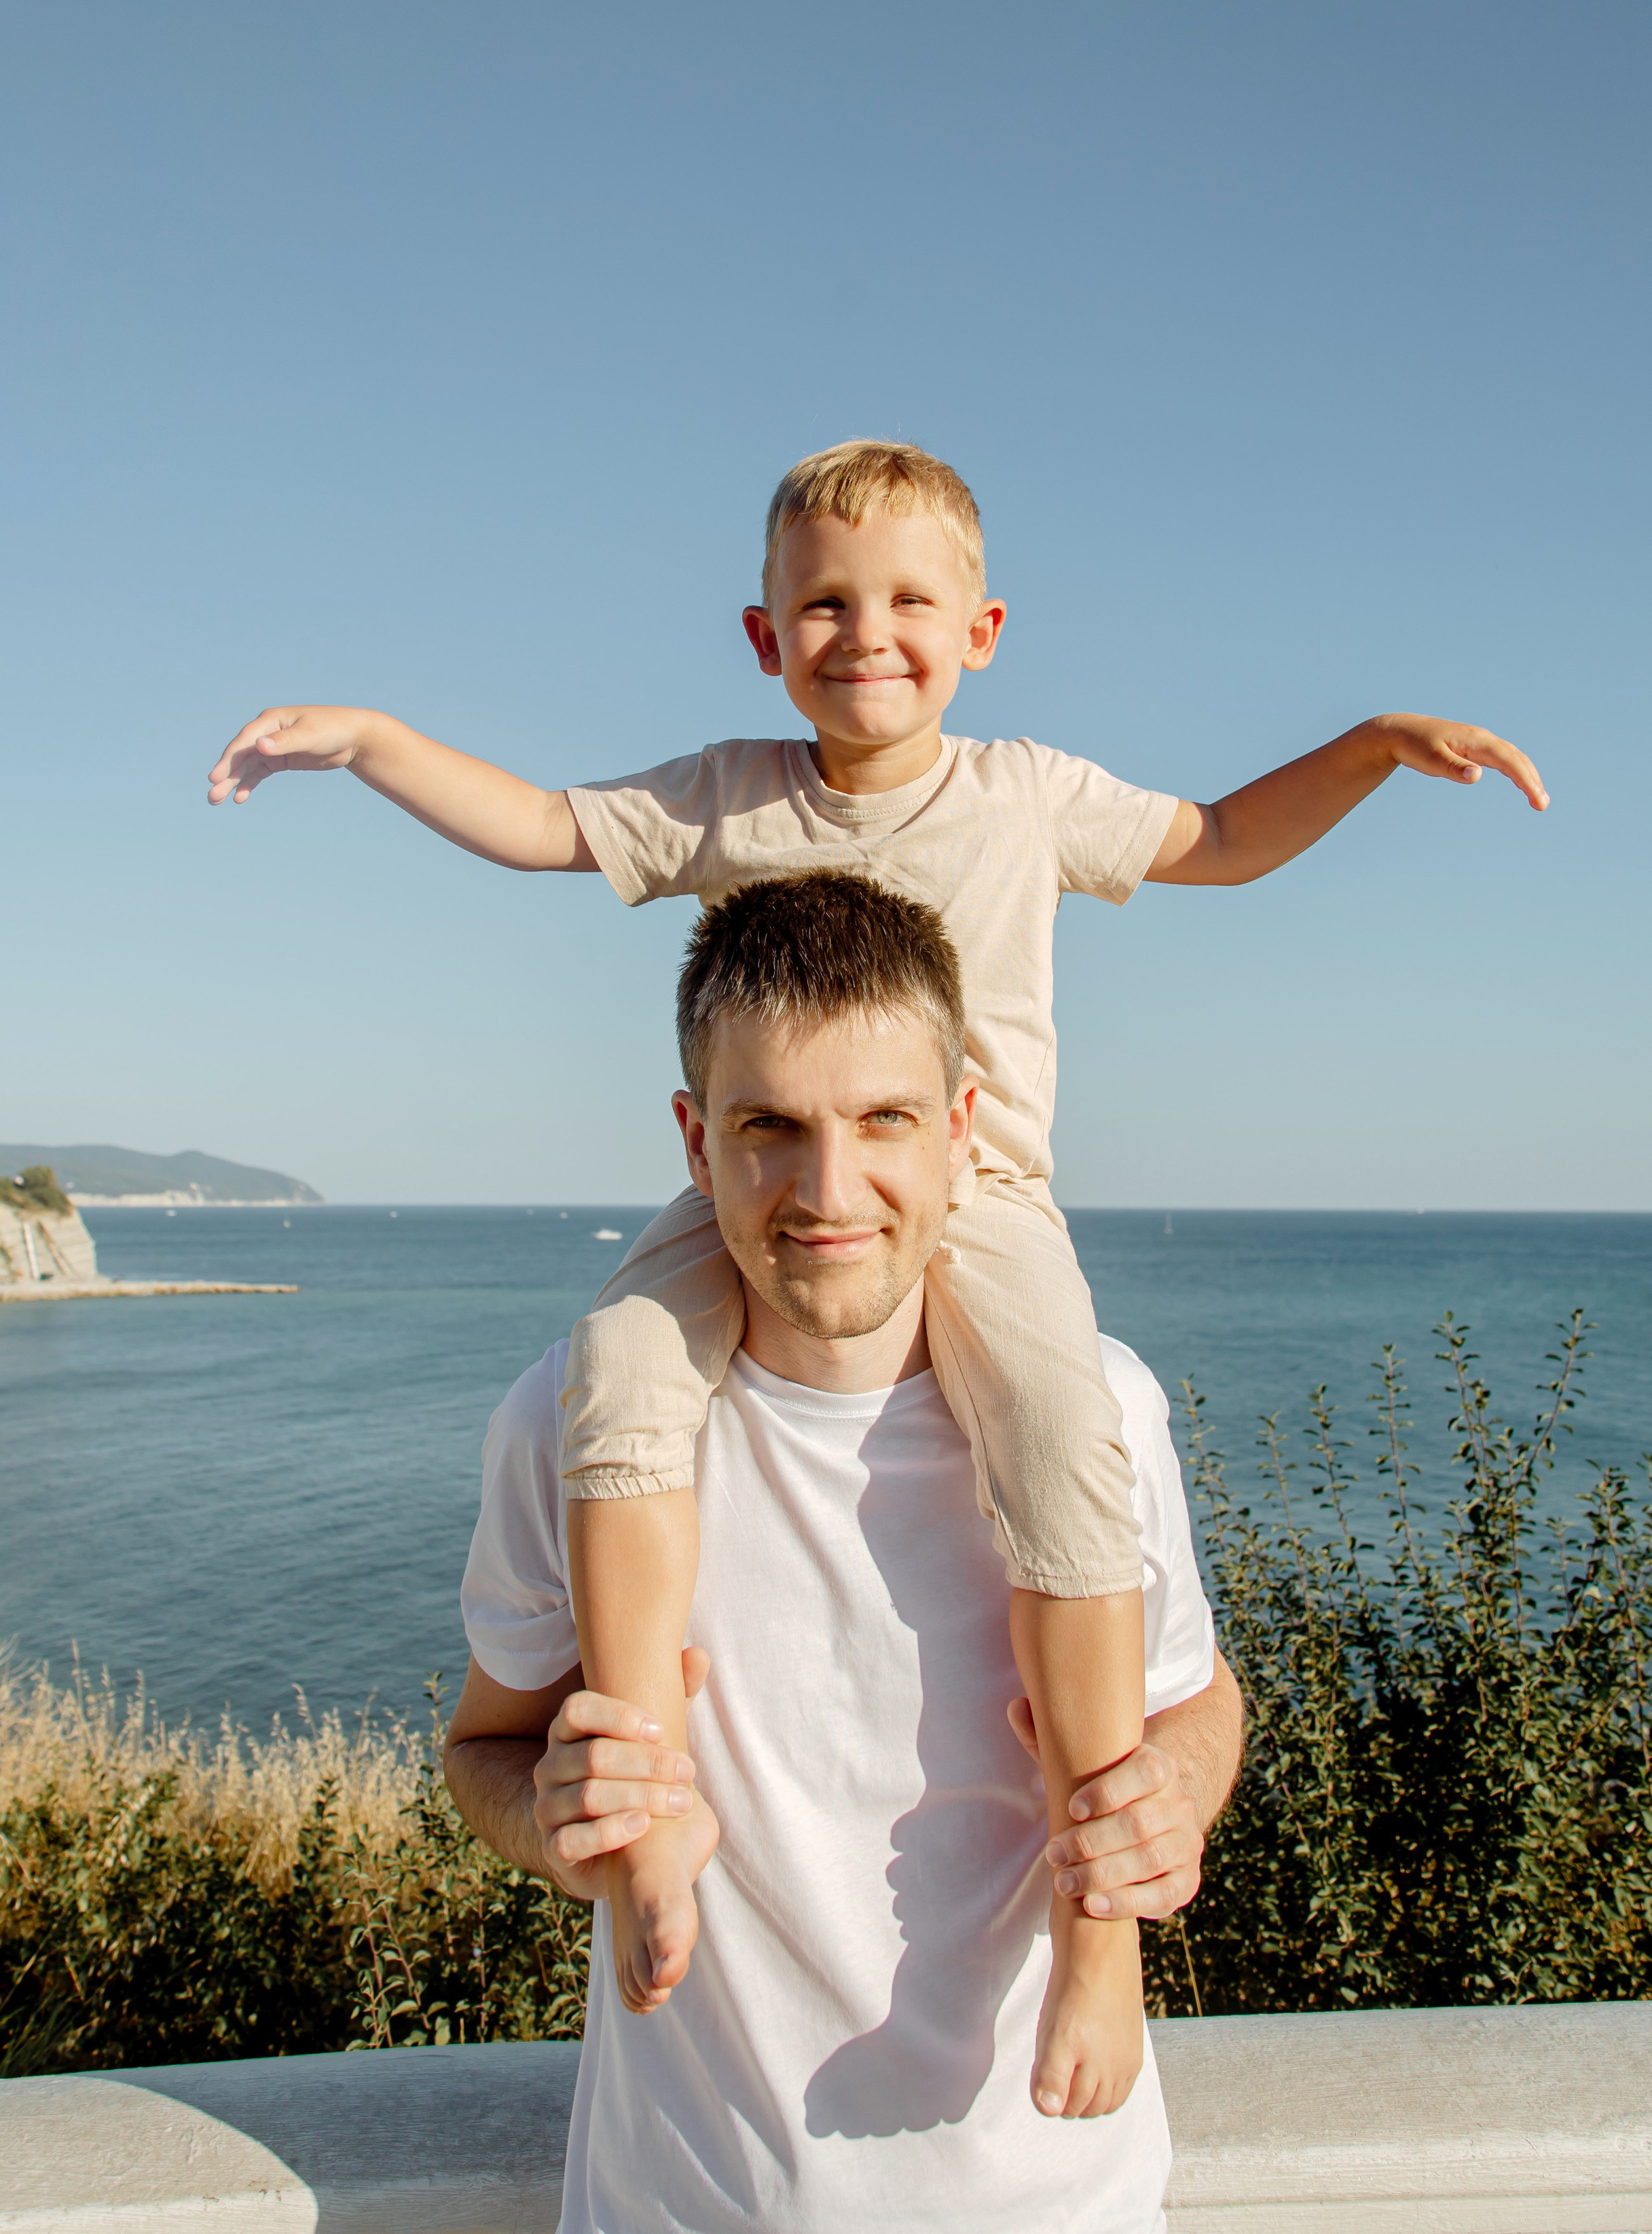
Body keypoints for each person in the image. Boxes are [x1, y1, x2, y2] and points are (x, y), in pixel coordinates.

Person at [208, 436, 1545, 2112]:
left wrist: (1366, 748)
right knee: (615, 1374)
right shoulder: (727, 792)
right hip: (764, 1185)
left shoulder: (1025, 794)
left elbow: (1215, 841)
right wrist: (377, 744)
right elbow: (549, 828)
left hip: (977, 1202)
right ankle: (649, 1814)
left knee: (1065, 1439)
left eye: (909, 600)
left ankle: (1098, 1930)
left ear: (979, 628)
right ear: (765, 637)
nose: (867, 634)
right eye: (824, 604)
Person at [444, 870, 1245, 2232]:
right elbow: (483, 1751)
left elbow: (1194, 1702)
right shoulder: (567, 1422)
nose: (830, 1190)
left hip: (1058, 2201)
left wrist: (1168, 1795)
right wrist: (562, 1820)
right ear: (696, 1145)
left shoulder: (1096, 1408)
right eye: (771, 1128)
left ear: (959, 1131)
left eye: (884, 1120)